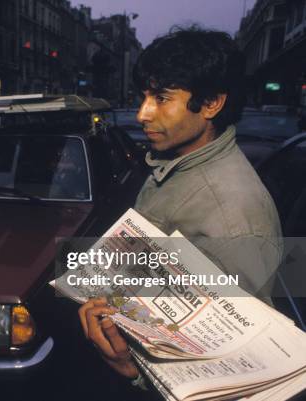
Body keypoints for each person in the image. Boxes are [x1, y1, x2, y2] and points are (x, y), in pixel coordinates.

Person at [79, 27, 283, 387]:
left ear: (211, 104)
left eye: (161, 98)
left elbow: (244, 368)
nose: (142, 113)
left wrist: (137, 373)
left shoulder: (233, 213)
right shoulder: (177, 160)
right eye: (143, 96)